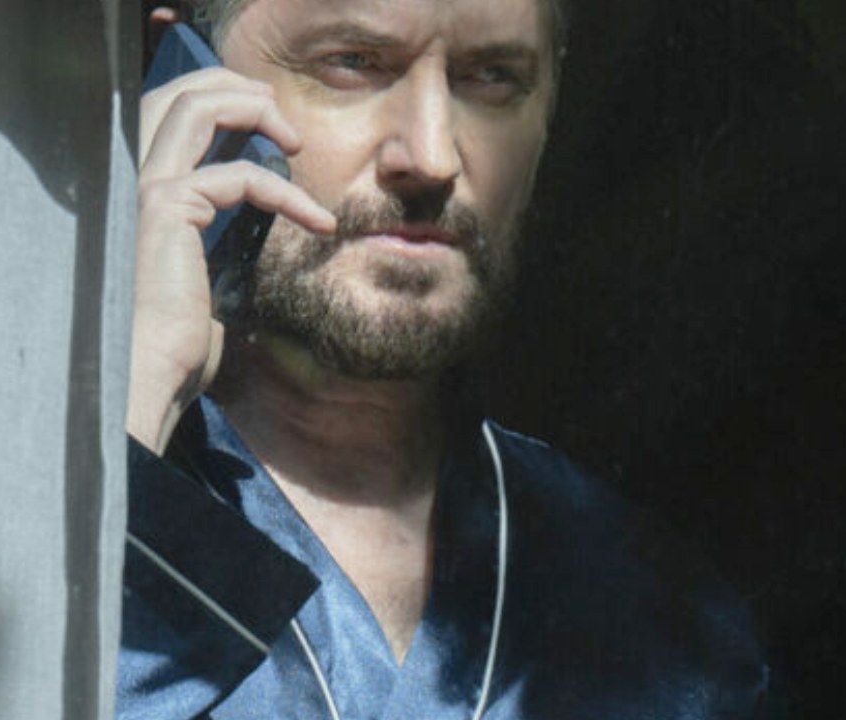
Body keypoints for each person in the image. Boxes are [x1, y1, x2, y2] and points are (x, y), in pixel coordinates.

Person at [119, 0, 768, 717]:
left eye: (491, 76)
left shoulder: (661, 632)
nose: (432, 157)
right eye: (352, 64)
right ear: (173, 74)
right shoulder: (53, 508)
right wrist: (126, 415)